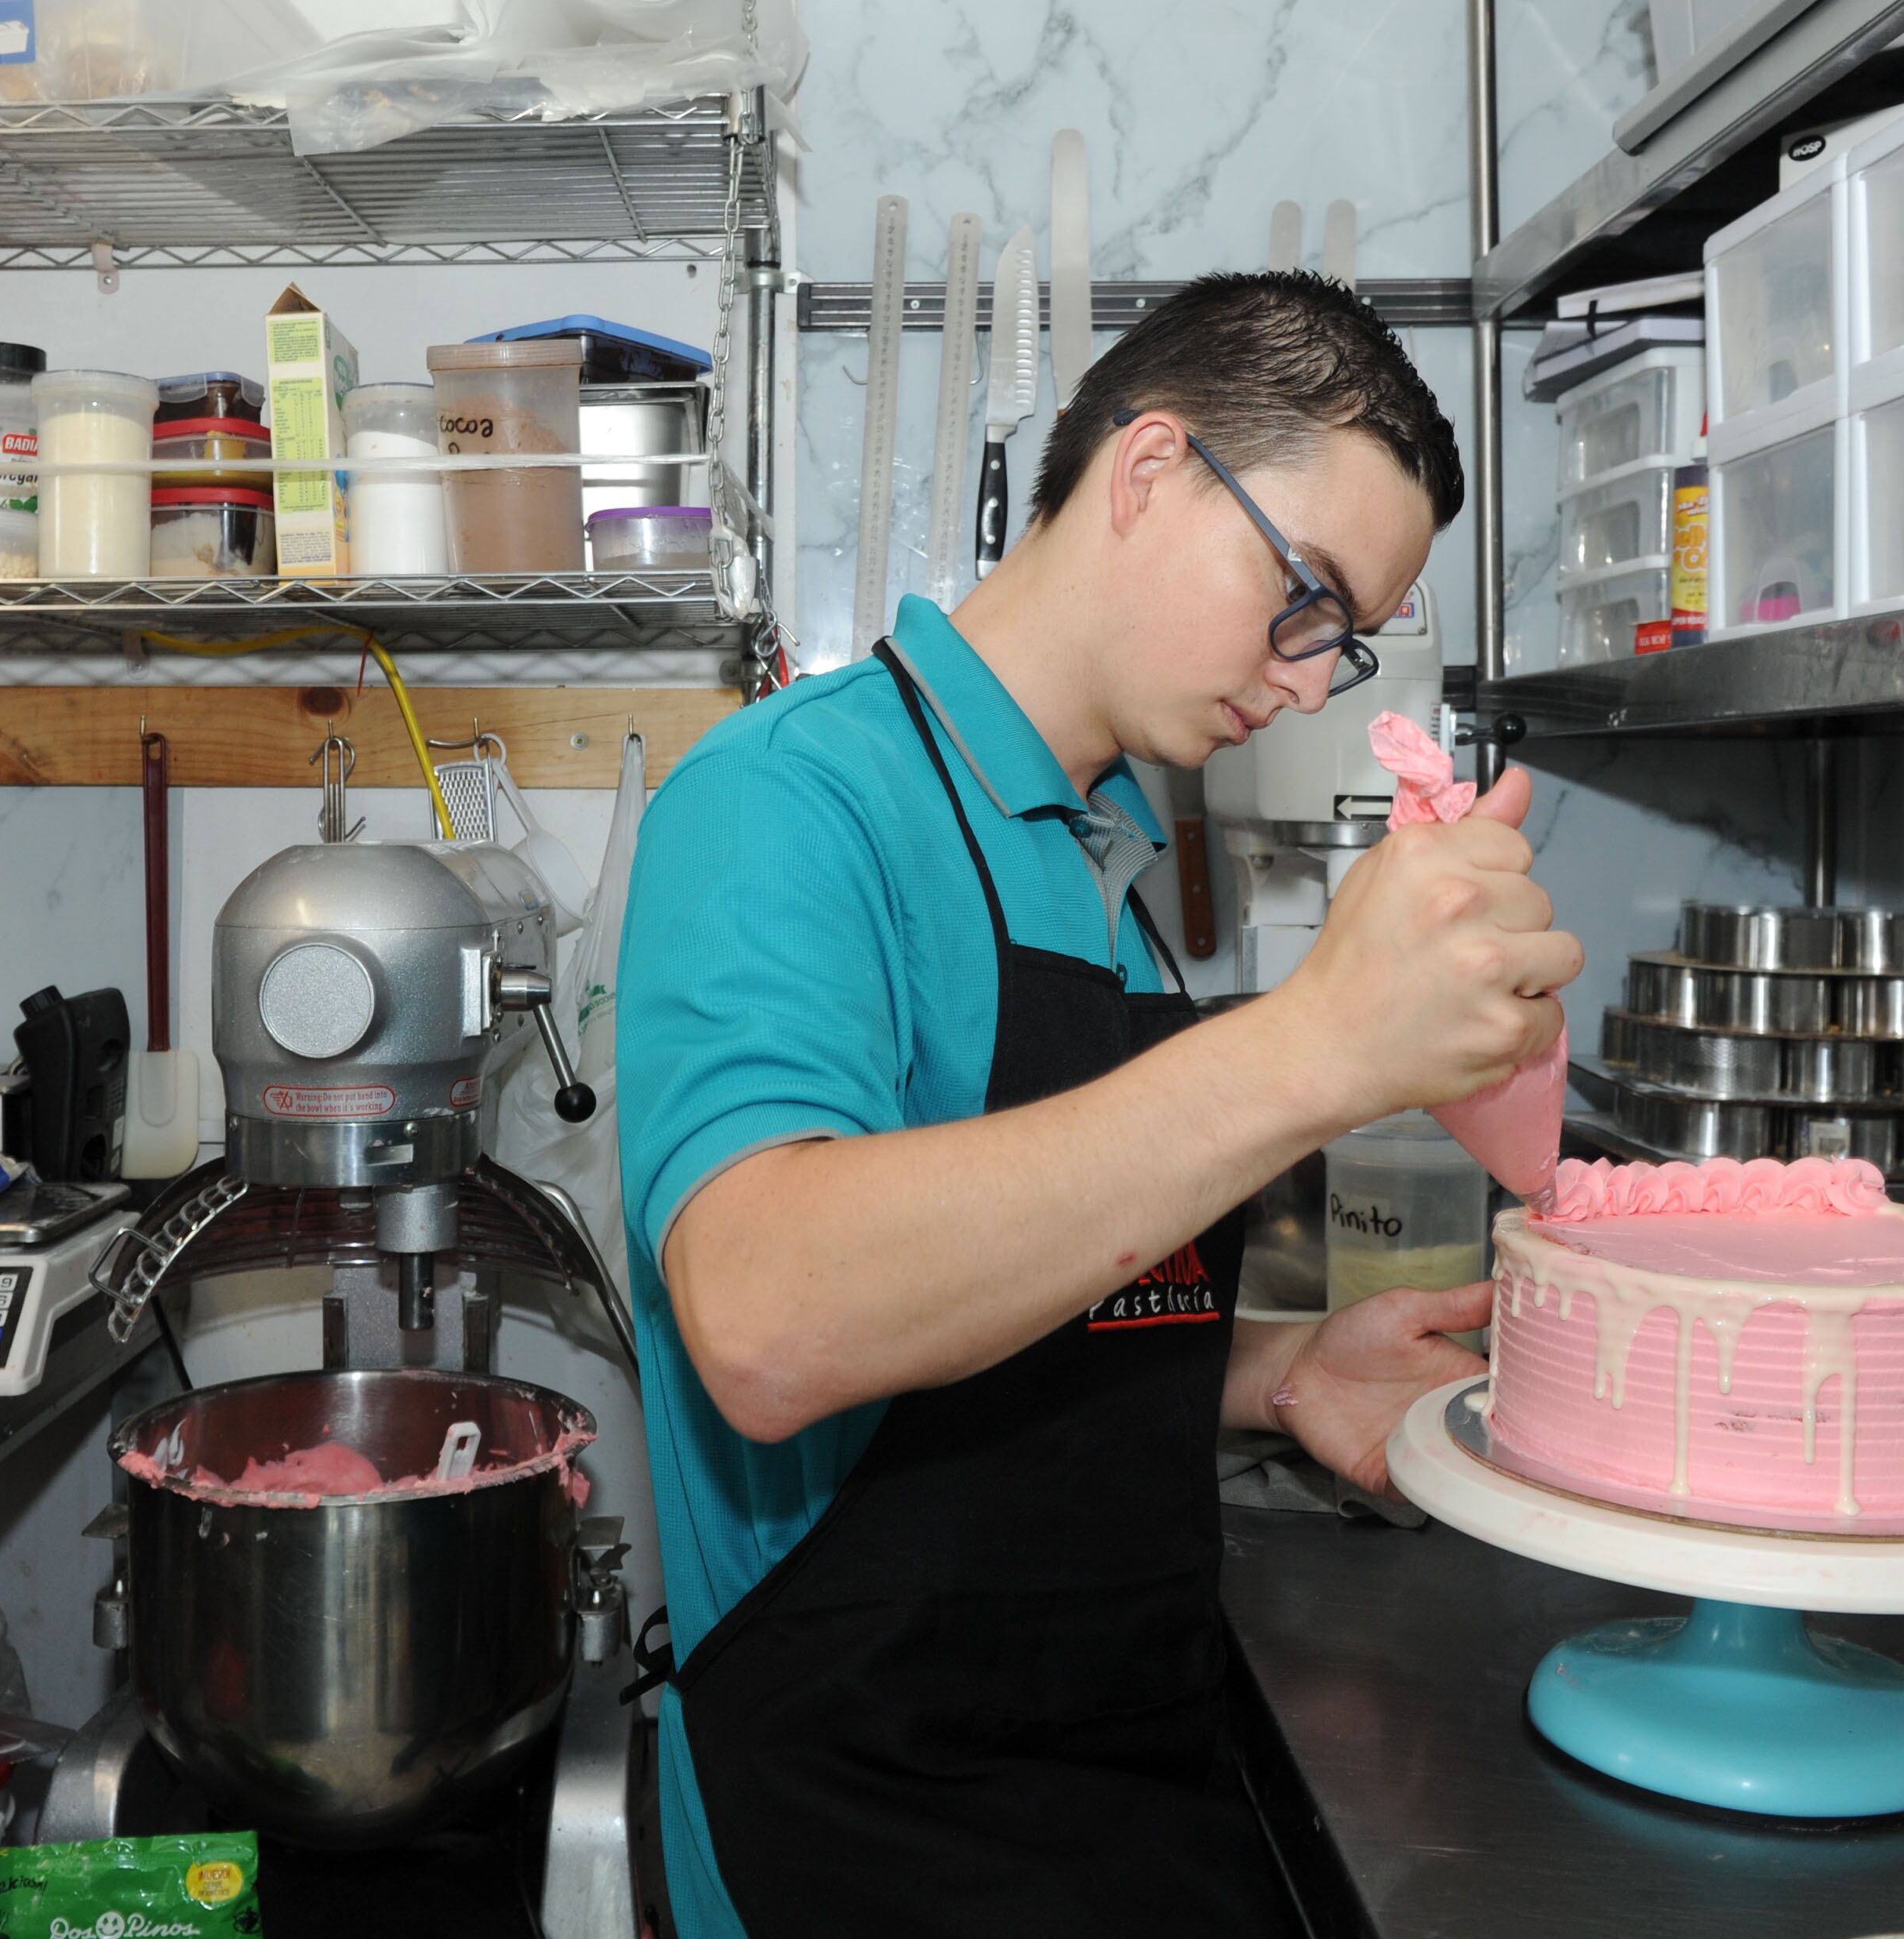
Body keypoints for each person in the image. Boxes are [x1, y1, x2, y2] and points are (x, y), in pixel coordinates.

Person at [614, 271, 1582, 1937]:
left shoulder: (1101, 849)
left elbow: (1022, 1296)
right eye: (1303, 599)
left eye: (1341, 645)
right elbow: (767, 1320)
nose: (1305, 682)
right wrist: (1313, 1047)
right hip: (862, 1818)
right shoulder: (785, 800)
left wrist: (1269, 1376)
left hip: (1109, 1773)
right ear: (1146, 475)